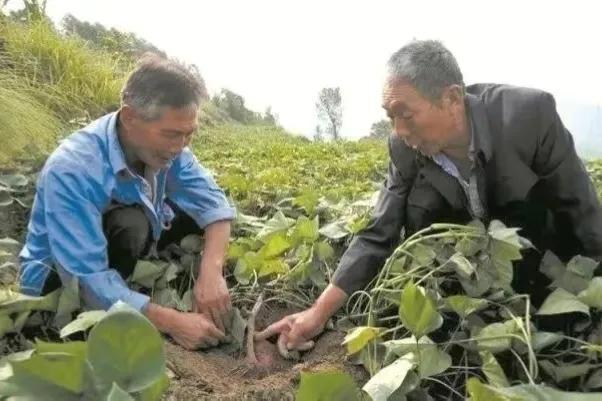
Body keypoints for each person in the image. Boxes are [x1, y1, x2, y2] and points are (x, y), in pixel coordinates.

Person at [256, 39, 602, 350]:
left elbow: (583, 215)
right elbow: (379, 234)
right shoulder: (404, 149)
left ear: (452, 99)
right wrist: (317, 313)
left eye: (406, 115)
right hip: (468, 289)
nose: (399, 131)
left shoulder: (527, 117)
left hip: (545, 274)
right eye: (391, 117)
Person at [18, 54, 236, 350]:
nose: (179, 146)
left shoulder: (172, 150)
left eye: (189, 134)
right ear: (130, 117)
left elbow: (214, 205)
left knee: (195, 217)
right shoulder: (73, 168)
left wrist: (211, 271)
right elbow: (85, 279)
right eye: (171, 134)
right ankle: (108, 315)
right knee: (130, 225)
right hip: (60, 281)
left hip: (115, 246)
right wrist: (173, 323)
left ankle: (129, 288)